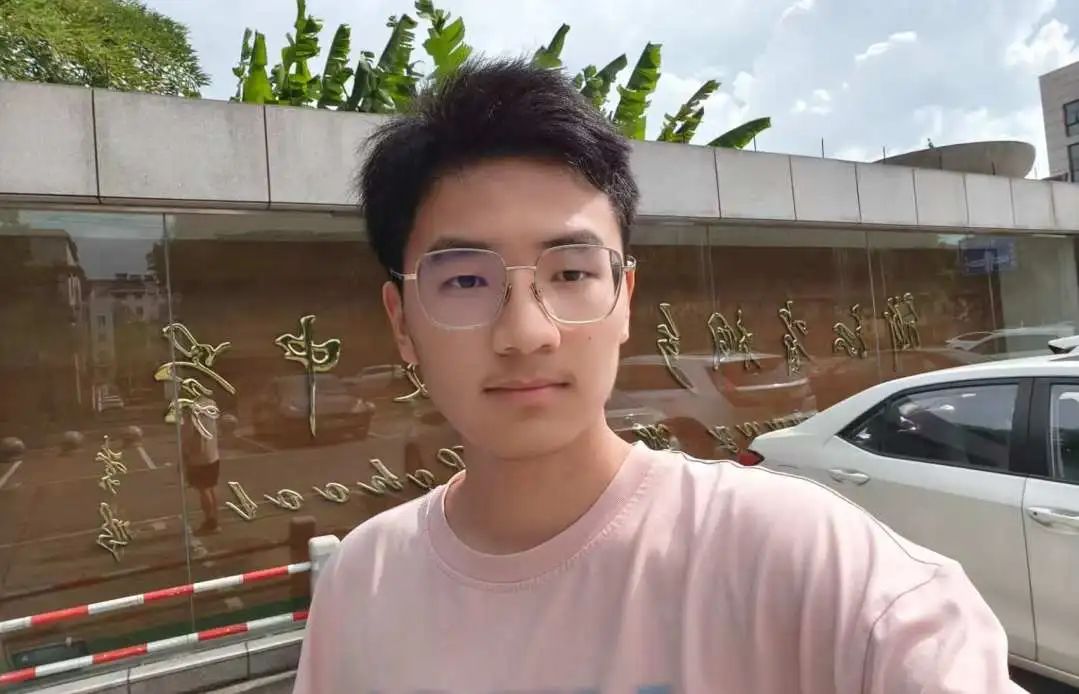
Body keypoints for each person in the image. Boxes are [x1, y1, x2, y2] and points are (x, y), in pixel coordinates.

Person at [294, 59, 1024, 693]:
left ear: (624, 300)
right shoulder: (365, 583)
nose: (526, 332)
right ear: (401, 321)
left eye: (570, 273)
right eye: (464, 281)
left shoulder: (802, 562)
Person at [180, 396, 221, 536]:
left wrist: (185, 456)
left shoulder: (191, 410)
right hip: (213, 452)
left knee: (203, 489)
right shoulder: (211, 403)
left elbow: (189, 435)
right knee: (211, 487)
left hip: (198, 456)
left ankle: (210, 522)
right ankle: (214, 519)